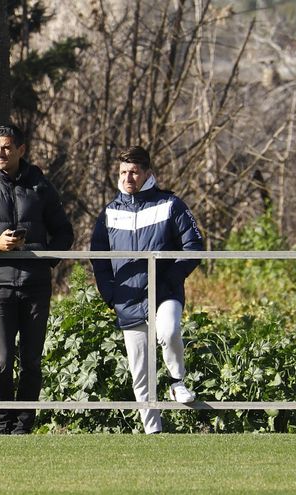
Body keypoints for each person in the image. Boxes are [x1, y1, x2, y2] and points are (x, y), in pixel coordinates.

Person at [0, 124, 74, 434]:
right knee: (2, 362)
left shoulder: (41, 187)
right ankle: (2, 427)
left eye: (7, 147)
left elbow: (64, 232)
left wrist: (46, 262)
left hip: (36, 286)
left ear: (21, 150)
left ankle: (23, 428)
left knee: (32, 362)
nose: (0, 153)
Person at [90, 145, 203, 434]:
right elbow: (98, 257)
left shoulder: (170, 204)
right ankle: (154, 433)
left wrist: (170, 279)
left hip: (164, 293)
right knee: (140, 373)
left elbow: (194, 246)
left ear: (148, 174)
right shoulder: (109, 213)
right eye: (124, 172)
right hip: (127, 299)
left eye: (135, 172)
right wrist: (110, 293)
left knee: (169, 331)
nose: (129, 177)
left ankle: (177, 381)